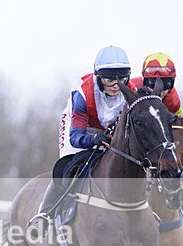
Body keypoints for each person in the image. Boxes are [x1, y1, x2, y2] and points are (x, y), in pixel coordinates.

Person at [30, 45, 137, 234]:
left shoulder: (132, 92)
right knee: (67, 168)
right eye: (109, 78)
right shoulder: (83, 93)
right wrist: (95, 139)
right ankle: (44, 215)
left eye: (122, 78)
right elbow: (75, 137)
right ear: (98, 77)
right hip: (80, 129)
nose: (116, 84)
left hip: (110, 131)